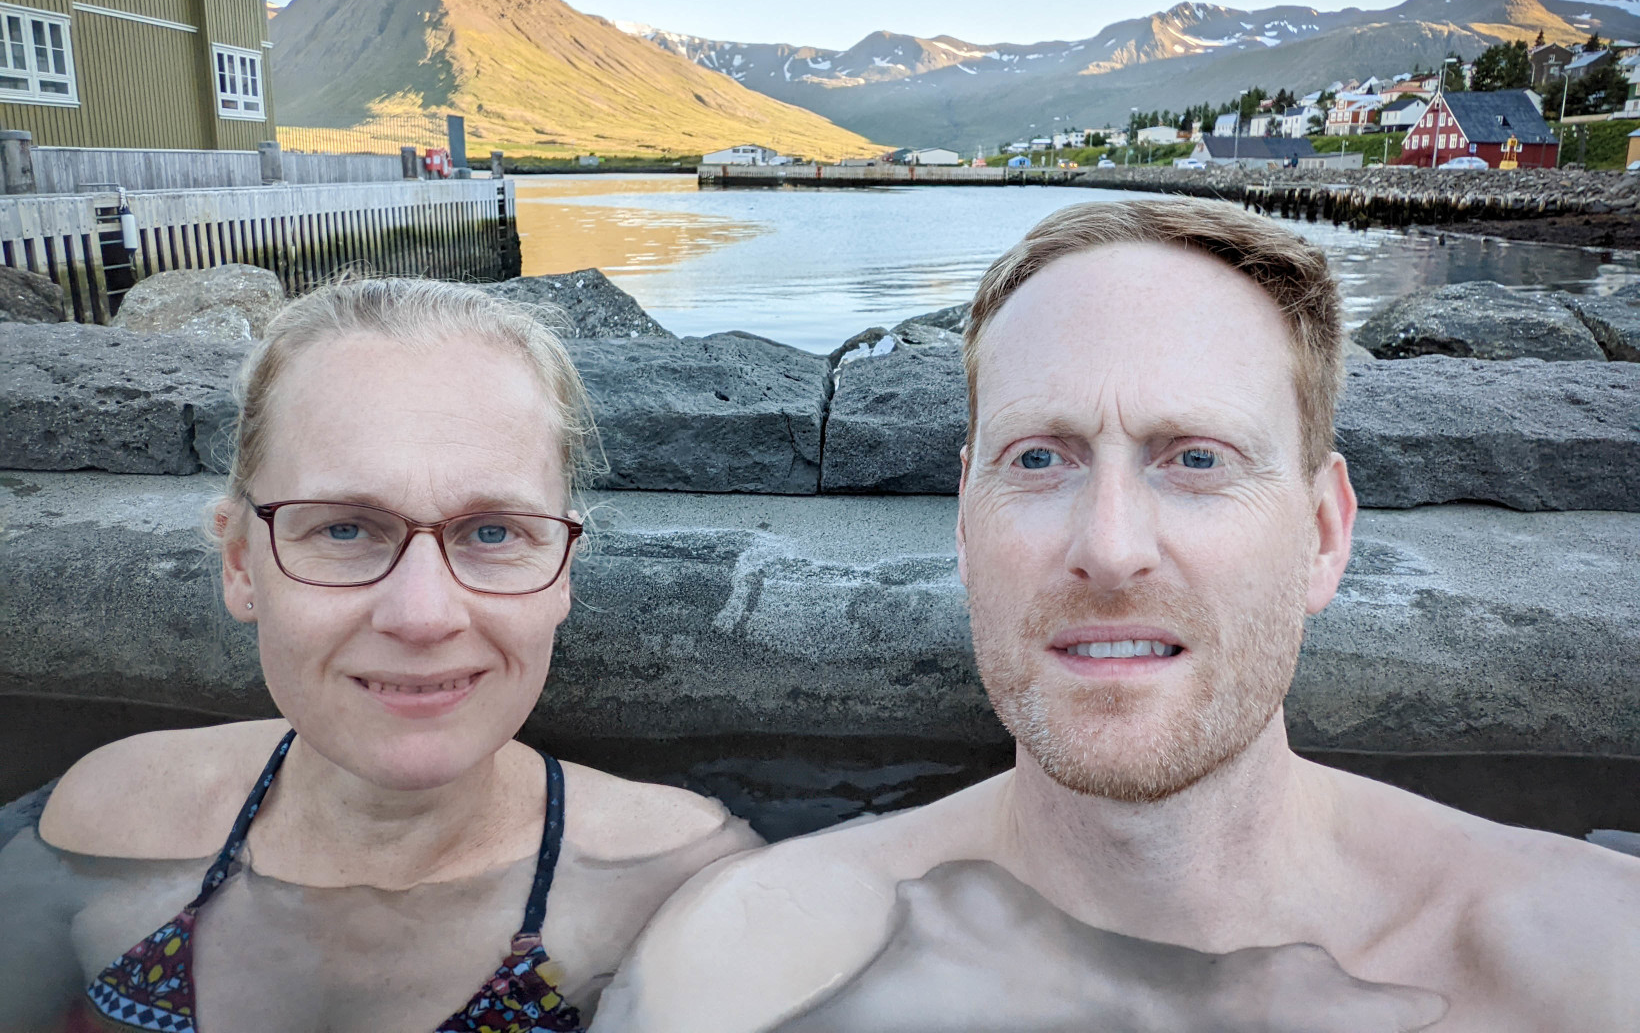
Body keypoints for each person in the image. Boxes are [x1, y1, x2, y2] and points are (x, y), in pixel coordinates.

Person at [595, 200, 1640, 1032]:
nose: (1109, 545)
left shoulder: (1595, 962)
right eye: (1037, 459)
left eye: (1196, 458)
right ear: (963, 527)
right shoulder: (745, 961)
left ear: (1323, 534)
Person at [0, 278, 759, 1032]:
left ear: (561, 570)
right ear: (241, 565)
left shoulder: (683, 886)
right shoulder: (109, 816)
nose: (422, 616)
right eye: (345, 529)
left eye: (493, 532)